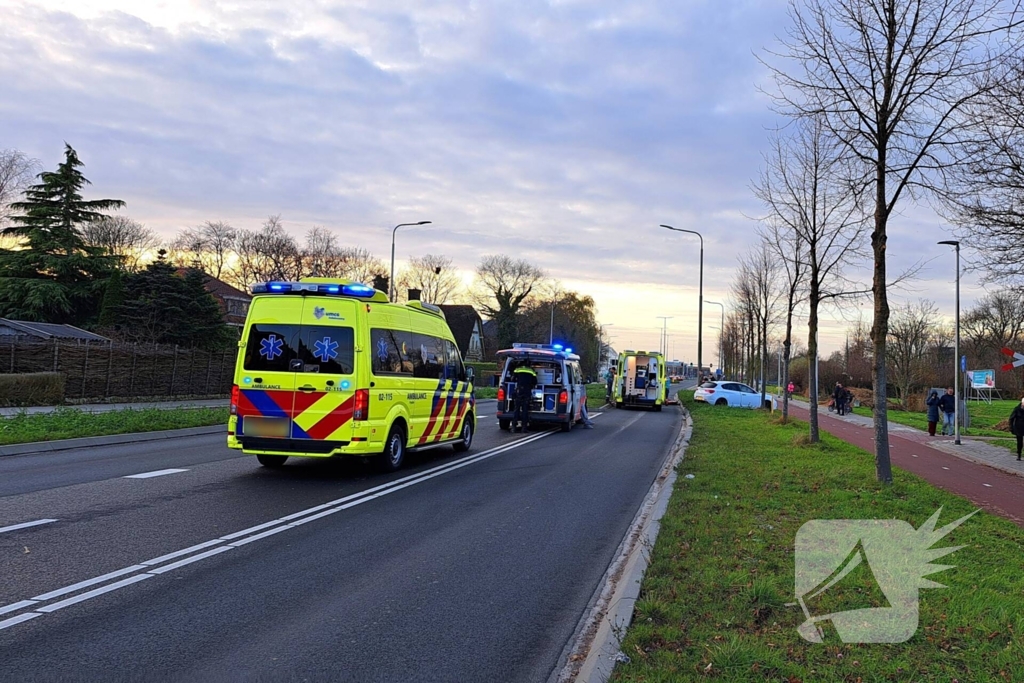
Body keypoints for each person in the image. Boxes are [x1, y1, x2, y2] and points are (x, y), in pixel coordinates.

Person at [511, 365, 537, 433]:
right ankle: (524, 427)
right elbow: (535, 382)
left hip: (519, 390)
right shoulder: (531, 371)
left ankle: (513, 427)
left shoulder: (517, 369)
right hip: (527, 391)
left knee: (517, 409)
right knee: (525, 410)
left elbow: (512, 379)